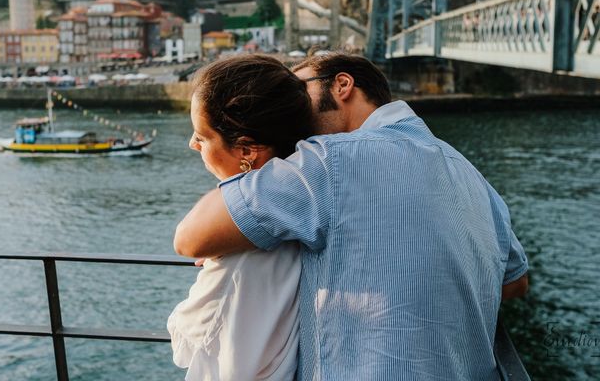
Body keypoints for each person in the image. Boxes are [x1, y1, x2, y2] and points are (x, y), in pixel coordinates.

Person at [175, 51, 529, 380]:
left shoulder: (329, 161)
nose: (294, 106)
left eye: (300, 90)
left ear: (342, 85)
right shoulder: (466, 169)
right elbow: (514, 283)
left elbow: (191, 237)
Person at [167, 54, 314, 380]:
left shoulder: (242, 247)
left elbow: (189, 341)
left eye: (202, 137)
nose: (192, 144)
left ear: (247, 150)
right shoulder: (303, 202)